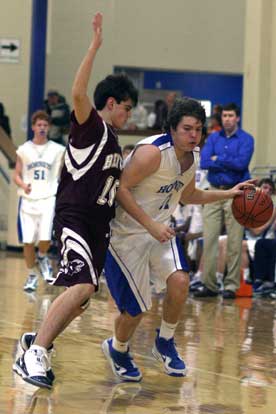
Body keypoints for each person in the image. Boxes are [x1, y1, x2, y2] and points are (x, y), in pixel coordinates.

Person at [13, 13, 138, 389]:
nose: (129, 114)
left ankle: (34, 343)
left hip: (98, 226)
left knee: (81, 298)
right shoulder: (92, 125)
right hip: (76, 218)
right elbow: (80, 93)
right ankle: (36, 353)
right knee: (82, 288)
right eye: (127, 107)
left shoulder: (115, 141)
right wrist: (94, 46)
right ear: (112, 103)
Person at [102, 97, 254, 382]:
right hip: (125, 235)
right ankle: (118, 348)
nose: (194, 135)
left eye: (198, 129)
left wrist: (229, 193)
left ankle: (165, 342)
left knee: (181, 281)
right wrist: (149, 225)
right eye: (187, 129)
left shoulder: (194, 156)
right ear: (172, 128)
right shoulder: (152, 153)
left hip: (159, 229)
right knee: (135, 311)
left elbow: (189, 196)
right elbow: (120, 189)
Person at [195, 102, 254, 299]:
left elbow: (241, 165)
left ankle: (230, 286)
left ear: (237, 118)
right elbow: (204, 162)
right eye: (225, 116)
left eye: (231, 115)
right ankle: (209, 285)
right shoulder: (212, 137)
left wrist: (217, 159)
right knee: (209, 238)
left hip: (236, 193)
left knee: (235, 241)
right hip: (213, 191)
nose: (227, 119)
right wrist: (222, 160)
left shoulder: (247, 139)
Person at [13, 110, 65, 291]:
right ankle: (32, 275)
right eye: (39, 125)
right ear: (33, 127)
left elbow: (63, 173)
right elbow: (16, 174)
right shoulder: (24, 149)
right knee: (27, 241)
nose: (42, 128)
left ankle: (42, 256)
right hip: (28, 199)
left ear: (49, 127)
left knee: (45, 237)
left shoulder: (58, 150)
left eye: (45, 125)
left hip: (48, 198)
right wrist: (22, 184)